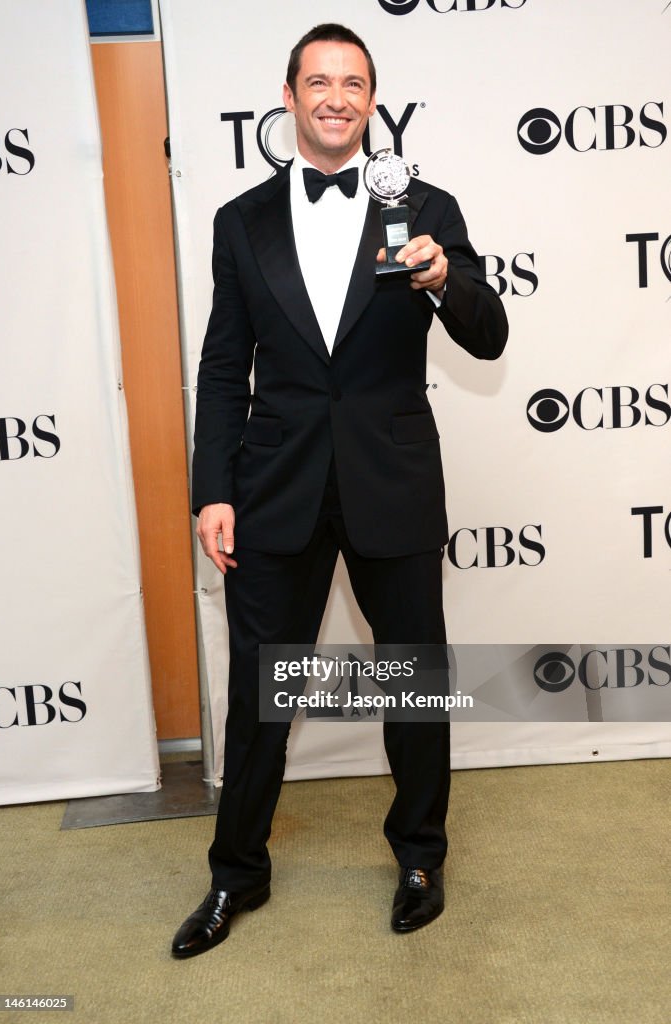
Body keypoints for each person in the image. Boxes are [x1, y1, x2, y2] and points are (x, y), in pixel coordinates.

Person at [172, 22, 508, 959]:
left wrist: (443, 278)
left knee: (411, 681)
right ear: (288, 98)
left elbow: (490, 336)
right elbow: (222, 362)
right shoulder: (239, 221)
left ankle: (420, 860)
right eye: (317, 82)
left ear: (372, 100)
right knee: (261, 696)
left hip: (390, 480)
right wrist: (212, 489)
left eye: (352, 83)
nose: (334, 97)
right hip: (272, 485)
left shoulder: (427, 206)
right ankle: (236, 875)